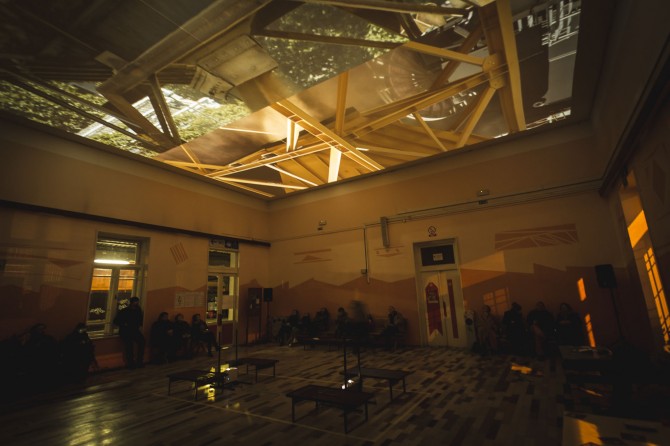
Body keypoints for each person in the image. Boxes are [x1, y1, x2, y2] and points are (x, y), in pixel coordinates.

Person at [113, 296, 145, 369]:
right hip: (126, 331)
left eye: (137, 302)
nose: (136, 304)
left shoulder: (137, 311)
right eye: (135, 302)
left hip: (133, 330)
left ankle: (138, 361)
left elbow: (140, 320)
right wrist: (124, 324)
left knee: (141, 342)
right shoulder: (125, 311)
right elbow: (116, 321)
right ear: (131, 303)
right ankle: (131, 363)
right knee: (129, 347)